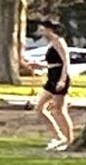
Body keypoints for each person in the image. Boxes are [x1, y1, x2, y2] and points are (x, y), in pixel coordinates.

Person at [31, 22, 73, 150]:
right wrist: (40, 65)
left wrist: (62, 80)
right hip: (51, 78)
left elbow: (66, 62)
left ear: (49, 29)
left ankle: (69, 140)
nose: (40, 32)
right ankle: (58, 136)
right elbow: (54, 63)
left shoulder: (59, 41)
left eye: (42, 29)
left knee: (58, 110)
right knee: (39, 108)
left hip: (59, 78)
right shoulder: (51, 44)